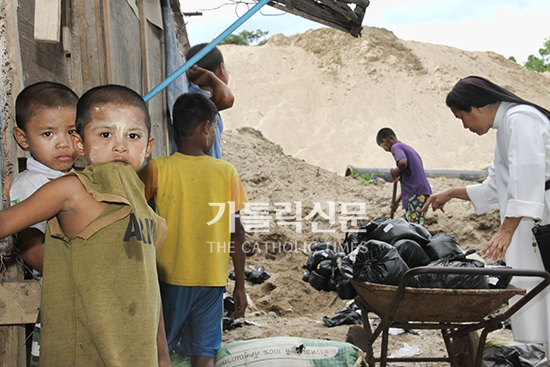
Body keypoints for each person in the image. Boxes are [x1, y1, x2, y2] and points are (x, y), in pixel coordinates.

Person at [1, 84, 170, 367]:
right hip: (83, 350)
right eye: (105, 135)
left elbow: (149, 286)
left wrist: (162, 356)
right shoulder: (71, 190)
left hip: (133, 350)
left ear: (148, 147)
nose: (120, 145)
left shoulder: (145, 211)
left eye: (133, 135)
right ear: (80, 144)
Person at [422, 75, 550, 366]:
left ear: (477, 108)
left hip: (542, 216)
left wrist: (506, 231)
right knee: (540, 288)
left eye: (461, 117)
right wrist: (452, 192)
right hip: (530, 221)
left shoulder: (521, 120)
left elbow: (526, 178)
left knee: (544, 286)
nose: (464, 126)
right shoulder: (506, 127)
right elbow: (496, 186)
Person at [139, 92, 248, 367]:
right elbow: (237, 232)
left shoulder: (157, 169)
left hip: (169, 277)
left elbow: (131, 207)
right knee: (205, 352)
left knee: (159, 350)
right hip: (212, 279)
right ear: (207, 128)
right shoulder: (226, 172)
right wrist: (240, 286)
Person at [10, 81, 79, 366]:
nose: (63, 143)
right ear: (23, 138)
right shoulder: (31, 185)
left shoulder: (79, 179)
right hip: (58, 297)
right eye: (48, 133)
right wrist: (82, 272)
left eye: (72, 131)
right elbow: (30, 249)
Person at [185, 43, 234, 159]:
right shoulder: (195, 99)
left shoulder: (197, 95)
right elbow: (227, 99)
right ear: (221, 69)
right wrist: (210, 77)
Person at [377, 127, 432, 225]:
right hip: (417, 193)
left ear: (385, 141)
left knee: (415, 228)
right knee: (405, 225)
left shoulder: (396, 147)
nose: (386, 150)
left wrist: (396, 171)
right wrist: (396, 202)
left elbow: (402, 163)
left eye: (383, 147)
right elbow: (409, 182)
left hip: (417, 195)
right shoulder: (408, 149)